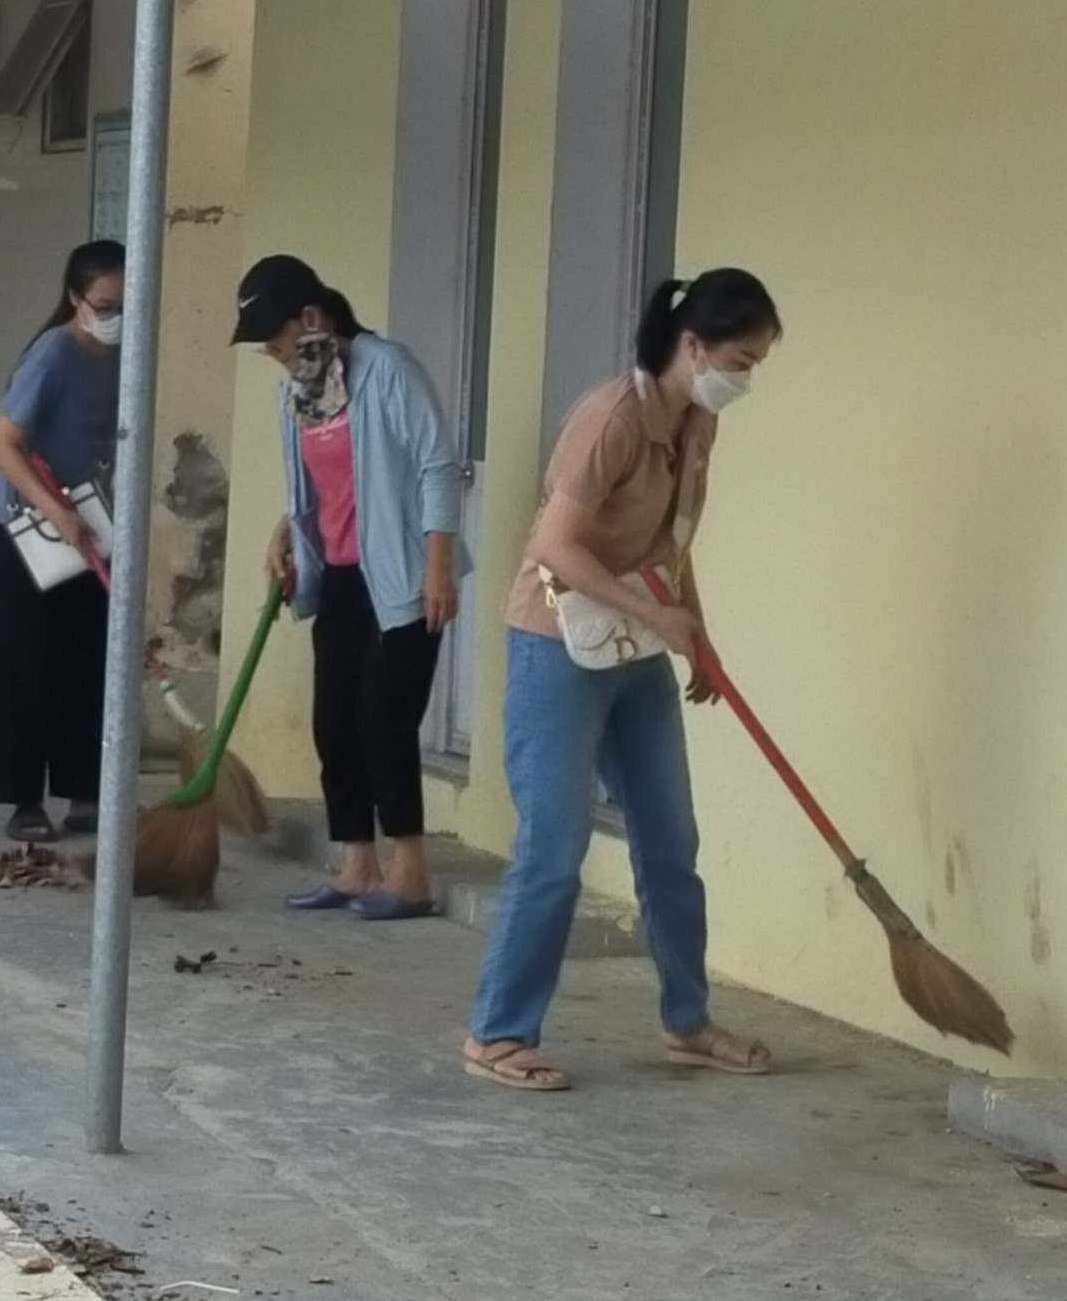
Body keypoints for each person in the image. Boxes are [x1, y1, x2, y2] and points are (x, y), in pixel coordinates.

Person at [464, 268, 782, 1090]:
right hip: (556, 645)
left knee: (671, 840)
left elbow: (671, 545)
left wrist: (694, 633)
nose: (745, 379)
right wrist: (660, 616)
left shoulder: (698, 424)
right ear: (693, 345)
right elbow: (554, 545)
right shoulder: (610, 418)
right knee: (554, 844)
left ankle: (688, 1021)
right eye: (741, 360)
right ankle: (499, 1035)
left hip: (635, 647)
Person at [232, 253, 465, 919]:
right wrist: (286, 531)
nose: (274, 356)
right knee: (334, 722)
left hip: (401, 576)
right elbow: (327, 479)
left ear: (311, 317)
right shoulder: (301, 392)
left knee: (383, 722)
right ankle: (358, 864)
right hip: (337, 572)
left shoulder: (388, 370)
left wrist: (439, 566)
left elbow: (436, 467)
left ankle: (410, 872)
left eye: (276, 339)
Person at [0, 240, 125, 843]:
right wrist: (56, 510)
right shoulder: (53, 353)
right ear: (75, 299)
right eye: (104, 306)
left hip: (94, 522)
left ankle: (85, 788)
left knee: (89, 658)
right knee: (27, 661)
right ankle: (24, 800)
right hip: (30, 528)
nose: (115, 317)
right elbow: (0, 442)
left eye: (125, 305)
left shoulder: (125, 355)